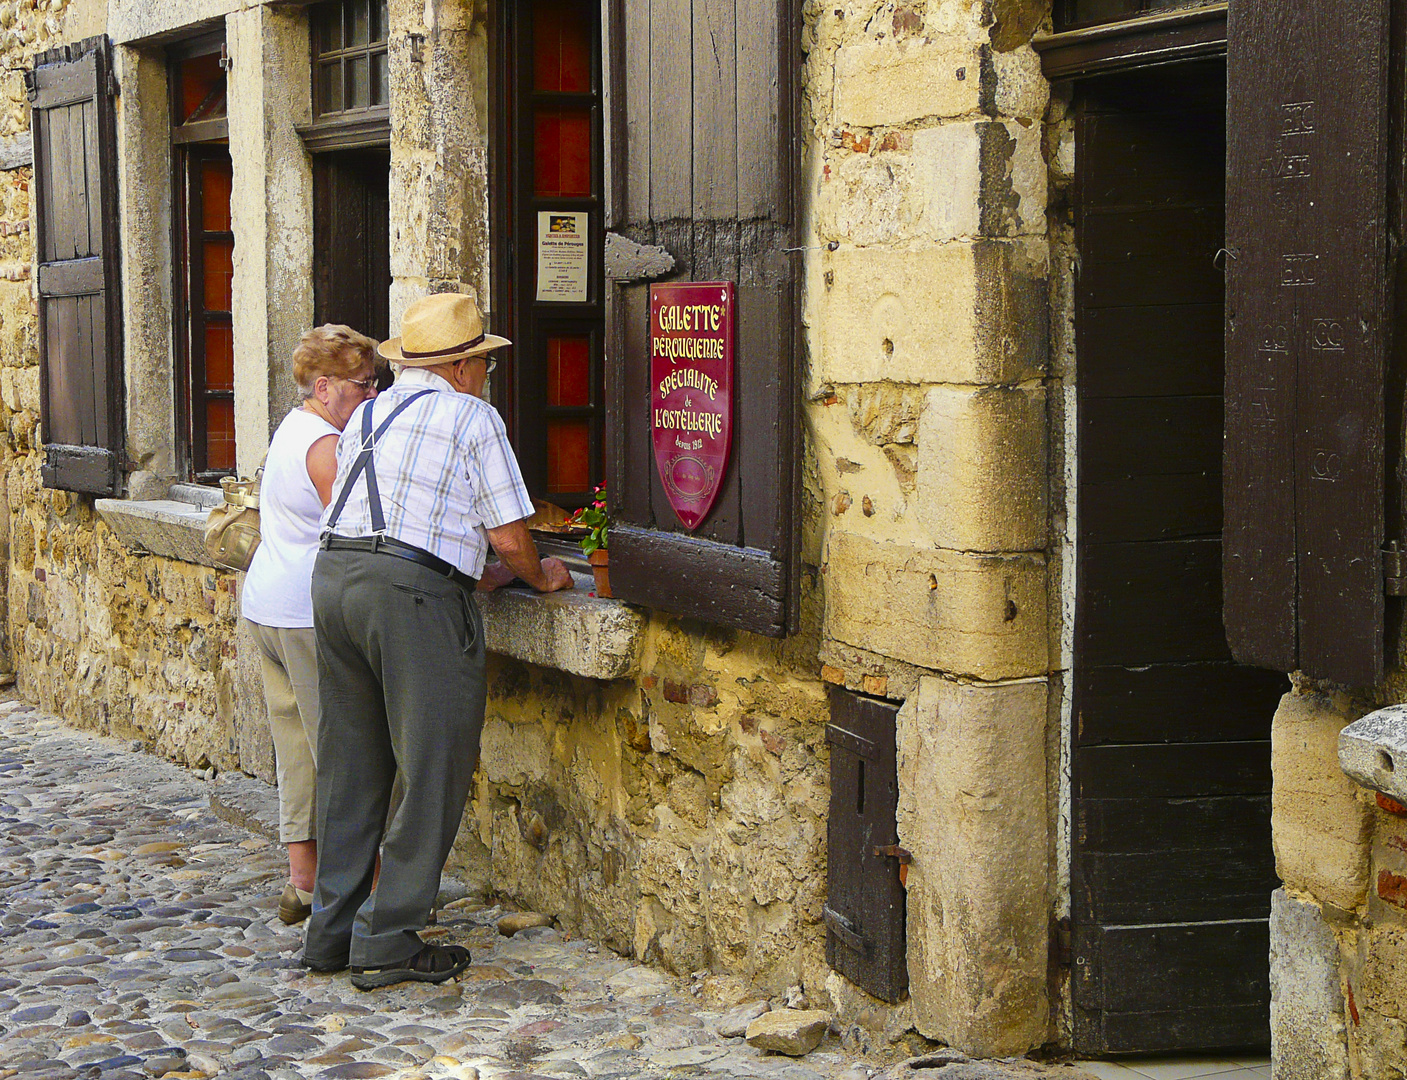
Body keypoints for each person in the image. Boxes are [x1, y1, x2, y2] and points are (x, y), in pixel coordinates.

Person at [301, 292, 573, 989]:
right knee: (433, 763)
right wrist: (539, 577)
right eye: (480, 362)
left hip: (335, 578)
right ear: (459, 366)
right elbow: (510, 535)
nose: (484, 374)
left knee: (352, 763)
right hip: (409, 596)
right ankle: (387, 938)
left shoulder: (368, 411)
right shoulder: (471, 416)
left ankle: (330, 932)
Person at [240, 325, 384, 925]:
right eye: (362, 384)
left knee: (295, 746)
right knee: (343, 750)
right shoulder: (325, 443)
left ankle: (303, 881)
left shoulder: (290, 427)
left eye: (376, 382)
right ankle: (367, 888)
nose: (373, 395)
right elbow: (349, 527)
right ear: (324, 386)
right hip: (304, 614)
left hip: (267, 604)